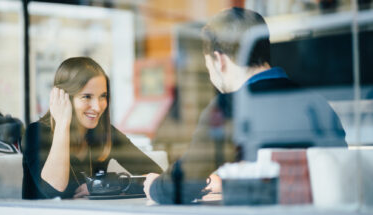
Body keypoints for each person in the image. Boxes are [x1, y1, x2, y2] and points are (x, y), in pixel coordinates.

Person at [143, 7, 347, 204]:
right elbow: (336, 176)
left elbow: (182, 184)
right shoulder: (317, 103)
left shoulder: (229, 106)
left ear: (218, 60)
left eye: (209, 69)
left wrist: (155, 186)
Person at [22, 57, 162, 199]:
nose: (97, 107)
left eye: (103, 96)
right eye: (87, 97)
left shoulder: (104, 133)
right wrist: (62, 123)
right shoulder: (36, 133)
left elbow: (157, 177)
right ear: (65, 98)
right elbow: (54, 190)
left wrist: (102, 186)